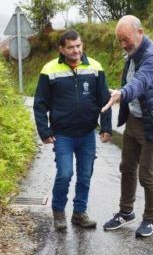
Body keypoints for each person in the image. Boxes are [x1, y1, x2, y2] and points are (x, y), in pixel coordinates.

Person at [33, 29, 113, 231]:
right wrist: (44, 131)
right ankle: (58, 212)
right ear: (62, 49)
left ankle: (79, 213)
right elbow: (40, 104)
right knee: (65, 173)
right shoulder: (49, 70)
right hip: (63, 135)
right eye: (70, 47)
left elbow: (105, 100)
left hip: (87, 134)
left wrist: (106, 126)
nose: (76, 50)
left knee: (85, 175)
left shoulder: (95, 67)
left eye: (78, 46)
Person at [101, 15, 153, 238]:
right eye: (119, 40)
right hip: (134, 119)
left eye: (126, 39)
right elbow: (130, 82)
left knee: (146, 174)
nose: (123, 44)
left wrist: (122, 94)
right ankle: (126, 212)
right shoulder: (132, 54)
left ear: (139, 33)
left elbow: (139, 83)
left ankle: (150, 219)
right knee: (127, 167)